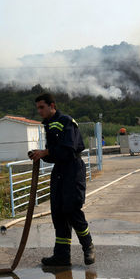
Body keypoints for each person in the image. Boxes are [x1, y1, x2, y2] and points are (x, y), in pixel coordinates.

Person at [28, 93, 95, 266]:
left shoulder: (66, 121)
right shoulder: (48, 125)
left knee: (71, 209)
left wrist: (47, 152)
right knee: (58, 212)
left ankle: (88, 246)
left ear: (52, 106)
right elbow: (54, 154)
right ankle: (62, 256)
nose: (39, 111)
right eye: (38, 108)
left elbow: (68, 149)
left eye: (42, 107)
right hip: (60, 170)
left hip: (73, 169)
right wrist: (40, 154)